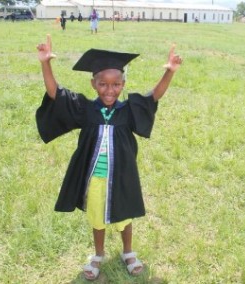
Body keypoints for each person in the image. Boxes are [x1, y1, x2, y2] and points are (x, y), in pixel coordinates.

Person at [35, 35, 182, 280]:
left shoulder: (128, 110)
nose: (109, 90)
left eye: (116, 84)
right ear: (94, 84)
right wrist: (45, 63)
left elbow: (154, 96)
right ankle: (99, 254)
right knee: (97, 217)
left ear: (123, 84)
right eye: (103, 84)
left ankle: (128, 252)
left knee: (124, 216)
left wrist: (170, 72)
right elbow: (55, 93)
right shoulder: (85, 109)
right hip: (95, 179)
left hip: (122, 176)